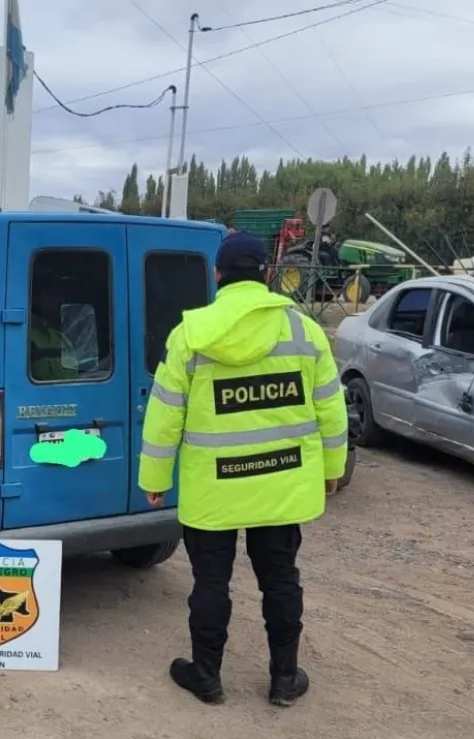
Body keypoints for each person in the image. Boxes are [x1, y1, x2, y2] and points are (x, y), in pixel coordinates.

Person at [139, 232, 348, 707]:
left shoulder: (190, 335)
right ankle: (284, 679)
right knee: (280, 577)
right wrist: (331, 468)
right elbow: (331, 411)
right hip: (282, 483)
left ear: (218, 276)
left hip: (214, 486)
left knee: (211, 581)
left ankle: (207, 676)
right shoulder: (304, 332)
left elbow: (164, 415)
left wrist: (154, 478)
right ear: (266, 274)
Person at [29, 268, 77, 382]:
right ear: (35, 297)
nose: (61, 300)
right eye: (53, 294)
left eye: (61, 295)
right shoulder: (23, 335)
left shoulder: (63, 338)